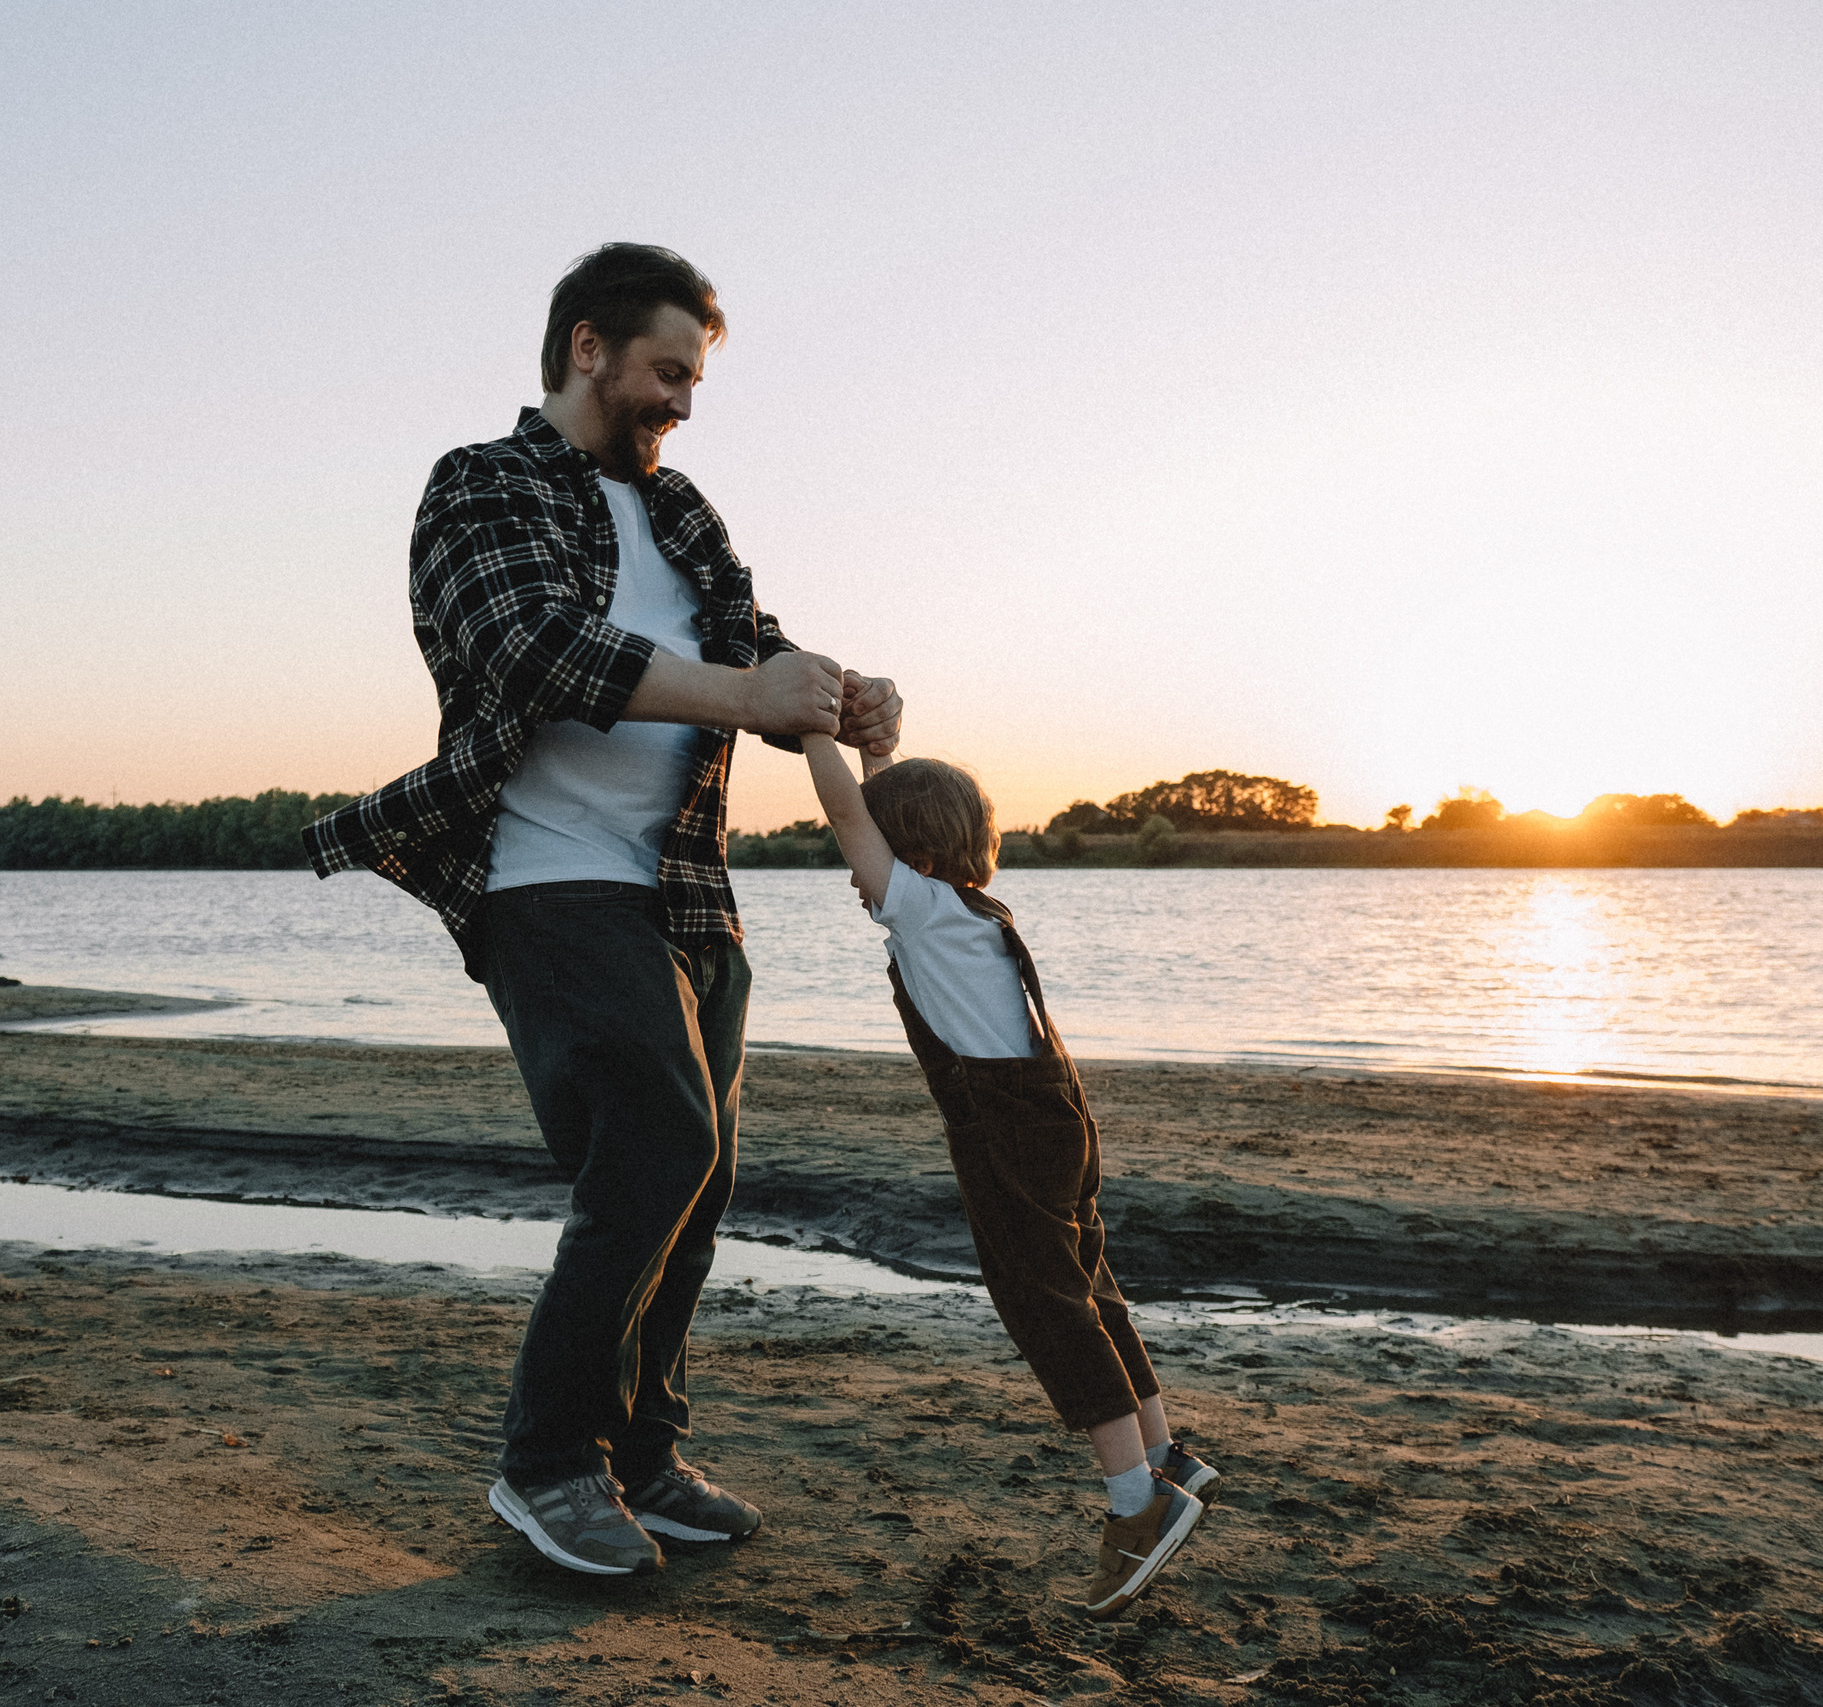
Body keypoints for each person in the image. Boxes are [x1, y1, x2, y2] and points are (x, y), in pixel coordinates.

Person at [304, 245, 903, 1577]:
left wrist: (840, 697)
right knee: (657, 1141)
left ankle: (640, 1452)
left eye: (697, 377)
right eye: (667, 371)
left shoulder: (684, 513)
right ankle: (546, 1461)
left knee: (696, 1180)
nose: (683, 400)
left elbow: (757, 649)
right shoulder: (483, 485)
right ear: (588, 348)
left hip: (688, 886)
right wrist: (748, 695)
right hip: (542, 871)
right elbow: (527, 645)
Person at [799, 733, 1221, 1620]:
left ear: (908, 857)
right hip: (1055, 1112)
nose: (855, 873)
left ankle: (1135, 1505)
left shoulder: (916, 909)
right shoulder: (968, 909)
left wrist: (808, 728)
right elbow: (876, 820)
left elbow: (849, 820)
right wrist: (878, 752)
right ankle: (1165, 1457)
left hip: (1004, 1129)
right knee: (1090, 1289)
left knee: (1046, 1307)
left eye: (873, 857)